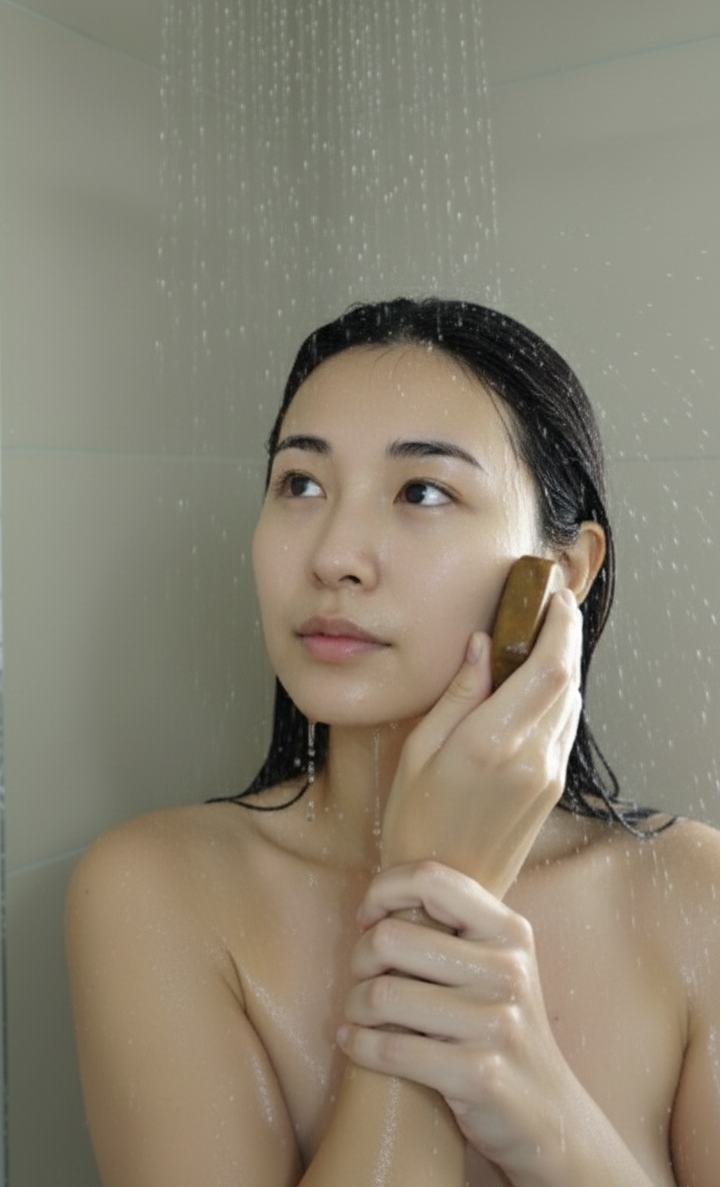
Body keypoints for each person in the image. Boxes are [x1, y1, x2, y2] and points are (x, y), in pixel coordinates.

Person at [66, 299, 718, 1187]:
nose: (334, 554)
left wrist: (541, 1112)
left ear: (562, 570)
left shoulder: (694, 898)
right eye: (300, 484)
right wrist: (433, 904)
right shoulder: (159, 891)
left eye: (422, 492)